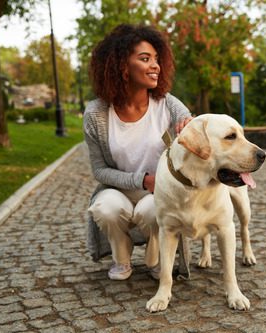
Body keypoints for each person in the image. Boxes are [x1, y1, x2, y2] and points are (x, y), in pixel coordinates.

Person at [84, 24, 192, 281]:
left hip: (160, 191)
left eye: (156, 59)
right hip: (119, 190)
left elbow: (188, 120)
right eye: (145, 59)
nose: (155, 65)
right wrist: (142, 180)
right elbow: (99, 170)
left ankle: (156, 259)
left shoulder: (167, 103)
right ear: (122, 67)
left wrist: (188, 125)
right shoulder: (96, 114)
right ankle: (121, 260)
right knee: (104, 208)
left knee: (152, 211)